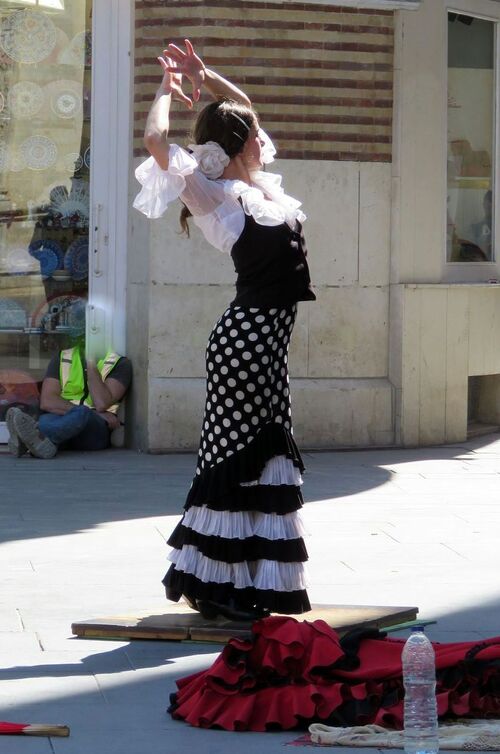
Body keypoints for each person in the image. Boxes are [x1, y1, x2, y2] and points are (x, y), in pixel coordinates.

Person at [134, 39, 316, 621]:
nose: (263, 138)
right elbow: (156, 143)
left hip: (266, 348)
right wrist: (165, 89)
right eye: (252, 135)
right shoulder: (216, 196)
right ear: (239, 147)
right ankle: (216, 584)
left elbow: (248, 109)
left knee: (263, 457)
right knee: (234, 455)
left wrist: (205, 75)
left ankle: (253, 581)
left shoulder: (264, 188)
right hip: (243, 346)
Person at [6, 344, 132, 459]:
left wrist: (91, 364)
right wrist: (90, 412)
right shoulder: (63, 357)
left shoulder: (120, 363)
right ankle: (39, 444)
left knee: (82, 413)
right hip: (62, 419)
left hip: (93, 430)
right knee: (47, 419)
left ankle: (27, 442)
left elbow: (101, 404)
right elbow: (47, 401)